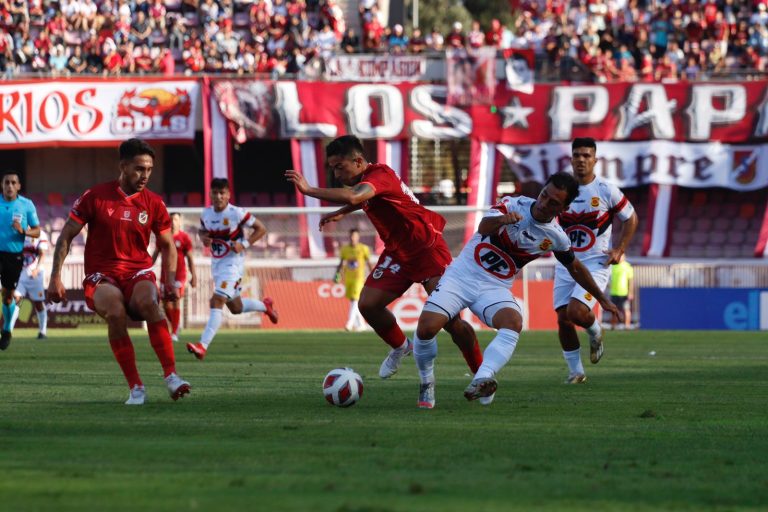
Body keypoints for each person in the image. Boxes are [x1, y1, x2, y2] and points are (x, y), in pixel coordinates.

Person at [412, 172, 621, 408]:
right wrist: (503, 220)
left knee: (513, 321)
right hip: (462, 276)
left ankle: (483, 378)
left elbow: (574, 267)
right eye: (544, 195)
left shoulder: (556, 237)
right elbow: (484, 226)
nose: (544, 203)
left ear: (563, 208)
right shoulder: (513, 203)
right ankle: (426, 382)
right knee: (427, 328)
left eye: (553, 202)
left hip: (494, 287)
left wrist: (602, 298)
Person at [285, 135, 482, 379]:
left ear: (358, 161)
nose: (336, 174)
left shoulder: (379, 175)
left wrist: (309, 190)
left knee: (453, 324)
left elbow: (357, 196)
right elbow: (362, 198)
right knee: (368, 305)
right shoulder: (368, 181)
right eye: (332, 168)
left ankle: (481, 374)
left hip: (427, 250)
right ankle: (401, 346)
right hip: (398, 253)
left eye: (339, 167)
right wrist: (341, 212)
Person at [46, 138, 190, 405]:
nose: (145, 175)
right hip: (101, 275)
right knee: (116, 311)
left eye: (148, 169)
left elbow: (168, 244)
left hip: (138, 272)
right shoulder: (96, 196)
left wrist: (170, 281)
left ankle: (171, 376)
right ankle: (136, 387)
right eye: (138, 168)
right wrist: (56, 276)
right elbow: (66, 234)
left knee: (150, 303)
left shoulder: (154, 203)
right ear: (123, 166)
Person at [554, 138, 638, 384]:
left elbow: (631, 218)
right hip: (565, 262)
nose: (581, 159)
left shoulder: (605, 190)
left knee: (577, 312)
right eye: (577, 155)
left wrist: (620, 249)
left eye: (586, 155)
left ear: (595, 160)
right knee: (563, 319)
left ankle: (595, 331)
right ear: (571, 159)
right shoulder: (560, 189)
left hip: (595, 262)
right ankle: (576, 372)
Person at [186, 178, 278, 360]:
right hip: (217, 265)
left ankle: (202, 346)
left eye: (222, 193)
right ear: (210, 194)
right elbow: (202, 231)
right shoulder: (206, 214)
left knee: (216, 300)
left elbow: (261, 229)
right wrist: (203, 238)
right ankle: (265, 306)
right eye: (215, 193)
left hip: (233, 265)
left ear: (228, 195)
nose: (219, 196)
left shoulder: (236, 213)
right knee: (236, 307)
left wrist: (244, 243)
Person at [0, 171, 41, 350]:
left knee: (8, 297)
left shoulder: (26, 205)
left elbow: (37, 231)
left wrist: (23, 231)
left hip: (13, 256)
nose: (9, 186)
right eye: (6, 182)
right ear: (2, 185)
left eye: (13, 183)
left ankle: (7, 329)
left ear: (18, 186)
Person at [151, 212, 197, 342]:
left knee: (176, 300)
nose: (173, 222)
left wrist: (194, 276)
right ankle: (176, 325)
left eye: (176, 219)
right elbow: (155, 254)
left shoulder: (184, 238)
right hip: (165, 275)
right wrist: (145, 268)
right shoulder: (163, 237)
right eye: (171, 219)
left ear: (180, 222)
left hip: (179, 275)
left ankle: (175, 332)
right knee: (166, 305)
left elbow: (190, 258)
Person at [9, 230, 50, 339]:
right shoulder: (17, 234)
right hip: (20, 273)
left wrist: (37, 269)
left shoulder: (40, 234)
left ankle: (43, 331)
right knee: (16, 299)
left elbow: (42, 254)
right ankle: (8, 331)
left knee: (38, 303)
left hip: (35, 274)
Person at [334, 228, 373, 331]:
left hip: (359, 278)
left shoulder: (363, 248)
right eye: (351, 236)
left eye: (355, 236)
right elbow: (341, 263)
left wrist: (374, 275)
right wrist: (337, 274)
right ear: (349, 237)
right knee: (353, 301)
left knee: (355, 300)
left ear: (358, 237)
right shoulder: (345, 249)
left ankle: (349, 324)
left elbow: (369, 263)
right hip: (348, 278)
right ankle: (361, 324)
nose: (353, 238)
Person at [610, 253, 634, 330]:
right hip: (614, 292)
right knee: (614, 311)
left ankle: (627, 326)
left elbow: (631, 281)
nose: (619, 258)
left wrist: (630, 292)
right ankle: (613, 326)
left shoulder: (627, 266)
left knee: (626, 309)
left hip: (624, 293)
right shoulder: (612, 266)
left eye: (621, 256)